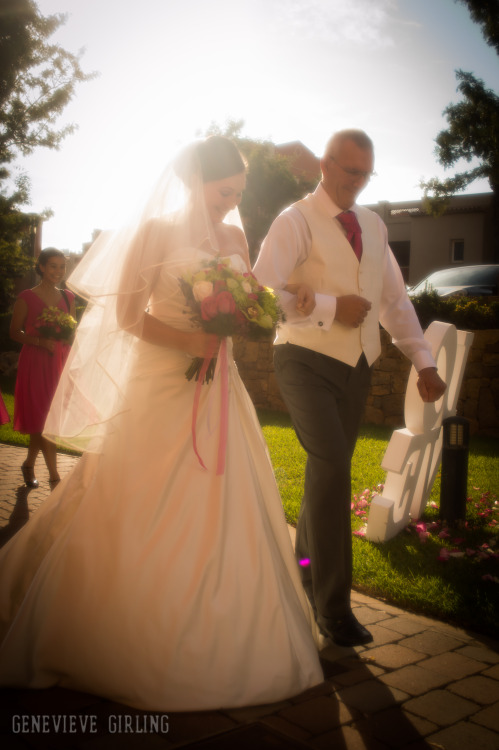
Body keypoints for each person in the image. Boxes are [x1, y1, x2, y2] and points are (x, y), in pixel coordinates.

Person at [0, 136, 323, 711]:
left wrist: (258, 309)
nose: (231, 204)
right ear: (197, 179)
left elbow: (250, 295)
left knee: (227, 498)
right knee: (130, 497)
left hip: (217, 386)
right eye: (226, 192)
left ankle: (228, 627)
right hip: (159, 382)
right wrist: (190, 339)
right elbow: (126, 317)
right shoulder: (154, 232)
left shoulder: (234, 235)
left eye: (239, 194)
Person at [253, 129, 446, 647]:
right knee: (335, 465)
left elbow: (394, 301)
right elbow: (262, 293)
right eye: (349, 171)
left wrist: (423, 361)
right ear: (325, 164)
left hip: (356, 364)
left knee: (326, 470)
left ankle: (306, 569)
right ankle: (334, 607)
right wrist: (330, 307)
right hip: (301, 358)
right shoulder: (294, 220)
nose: (356, 182)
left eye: (365, 174)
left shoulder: (374, 225)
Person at [9, 248, 76, 488]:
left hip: (59, 362)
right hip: (36, 362)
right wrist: (40, 341)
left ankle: (28, 464)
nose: (58, 271)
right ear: (41, 267)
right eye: (52, 266)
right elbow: (14, 333)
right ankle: (55, 478)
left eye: (61, 267)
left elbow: (71, 332)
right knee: (43, 417)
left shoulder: (69, 297)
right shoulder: (26, 297)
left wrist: (68, 344)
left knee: (48, 418)